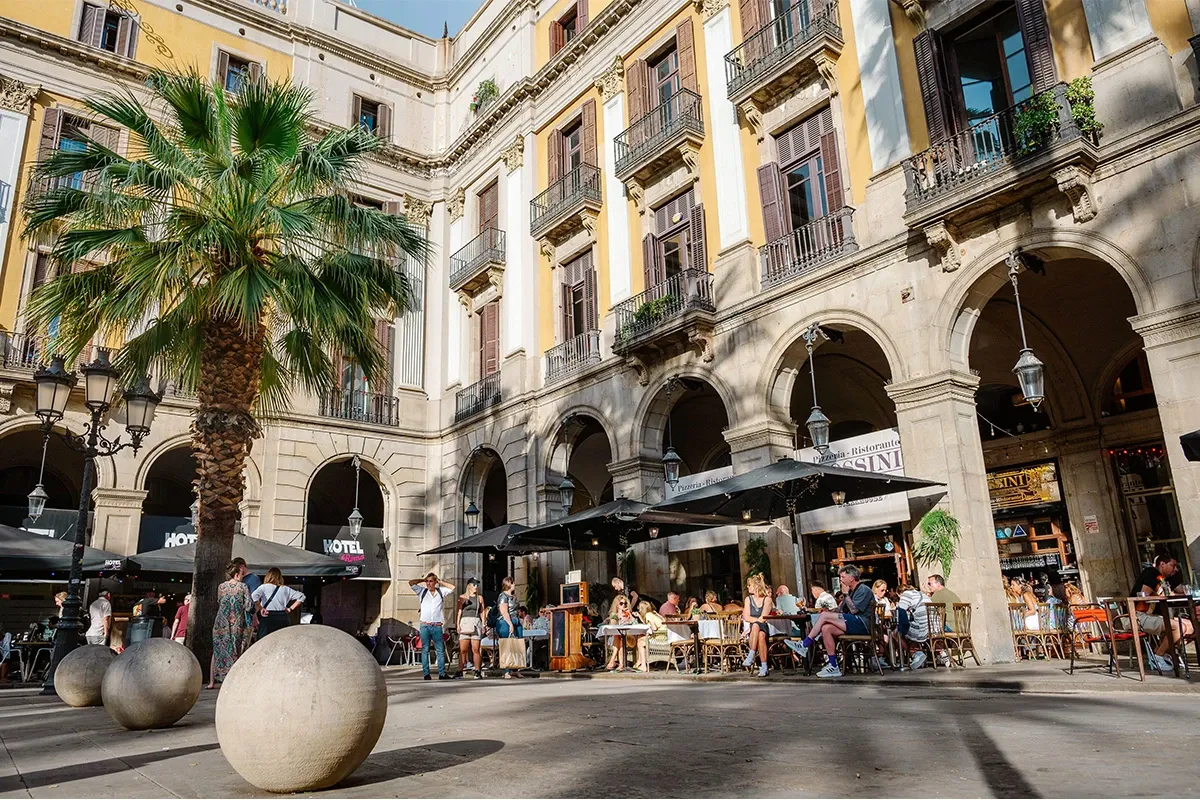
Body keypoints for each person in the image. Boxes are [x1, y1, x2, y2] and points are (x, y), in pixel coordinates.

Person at [787, 565, 874, 678]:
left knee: (824, 616)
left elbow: (854, 610)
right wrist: (829, 611)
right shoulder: (851, 591)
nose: (841, 580)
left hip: (862, 624)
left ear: (851, 578)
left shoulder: (863, 590)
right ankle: (833, 666)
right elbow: (840, 610)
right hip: (851, 622)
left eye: (843, 577)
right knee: (826, 628)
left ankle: (805, 644)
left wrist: (845, 594)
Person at [1131, 555, 1193, 673]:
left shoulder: (1163, 579)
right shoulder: (1151, 573)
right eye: (1173, 565)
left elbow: (1171, 593)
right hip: (1137, 615)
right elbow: (1143, 595)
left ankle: (1163, 652)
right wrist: (1163, 595)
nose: (1175, 569)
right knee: (1177, 627)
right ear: (1162, 564)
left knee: (1191, 626)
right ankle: (1158, 657)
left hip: (1152, 615)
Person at [209, 562, 254, 688]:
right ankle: (234, 679)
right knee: (237, 649)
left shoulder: (221, 587)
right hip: (237, 622)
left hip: (221, 622)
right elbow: (248, 606)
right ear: (237, 574)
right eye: (241, 574)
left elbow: (220, 601)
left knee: (218, 648)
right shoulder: (243, 587)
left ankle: (214, 680)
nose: (242, 577)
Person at [408, 572, 454, 681]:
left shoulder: (440, 591)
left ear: (435, 582)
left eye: (430, 581)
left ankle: (442, 673)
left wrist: (440, 581)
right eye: (427, 581)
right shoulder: (422, 591)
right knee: (425, 649)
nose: (428, 583)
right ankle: (426, 674)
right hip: (425, 625)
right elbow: (411, 583)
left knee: (440, 650)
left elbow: (452, 588)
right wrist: (422, 580)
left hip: (437, 625)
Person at [252, 568, 306, 640]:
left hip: (268, 616)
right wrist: (290, 609)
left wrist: (261, 608)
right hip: (282, 617)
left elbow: (253, 596)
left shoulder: (264, 587)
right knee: (283, 640)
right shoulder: (286, 589)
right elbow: (302, 596)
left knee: (264, 640)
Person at [741, 573, 774, 677]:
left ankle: (751, 654)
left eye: (749, 585)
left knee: (758, 628)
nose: (748, 587)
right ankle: (764, 667)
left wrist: (756, 622)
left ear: (756, 586)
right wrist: (756, 621)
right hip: (754, 630)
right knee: (760, 635)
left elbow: (763, 617)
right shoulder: (748, 599)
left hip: (764, 626)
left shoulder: (767, 599)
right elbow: (746, 616)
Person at [455, 578, 487, 679]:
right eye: (474, 585)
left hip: (475, 622)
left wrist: (484, 624)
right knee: (463, 650)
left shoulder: (479, 598)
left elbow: (482, 611)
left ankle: (477, 670)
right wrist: (457, 625)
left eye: (477, 585)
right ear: (469, 586)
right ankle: (460, 670)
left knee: (476, 649)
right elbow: (459, 612)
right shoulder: (462, 597)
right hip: (465, 622)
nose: (476, 587)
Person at [896, 583, 930, 669]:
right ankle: (917, 652)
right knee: (910, 625)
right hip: (932, 628)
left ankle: (915, 653)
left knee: (895, 633)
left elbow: (901, 611)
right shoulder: (921, 594)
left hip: (922, 628)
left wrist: (901, 628)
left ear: (900, 594)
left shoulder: (906, 594)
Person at [494, 576, 522, 679]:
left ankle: (515, 669)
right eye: (513, 583)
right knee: (507, 645)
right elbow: (504, 612)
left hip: (516, 621)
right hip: (505, 622)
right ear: (509, 584)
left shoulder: (513, 596)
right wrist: (510, 624)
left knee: (517, 645)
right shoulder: (503, 596)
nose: (515, 584)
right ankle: (506, 670)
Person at [605, 594, 639, 671]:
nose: (623, 605)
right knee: (618, 637)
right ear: (617, 605)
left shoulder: (628, 614)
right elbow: (612, 627)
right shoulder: (614, 614)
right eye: (621, 603)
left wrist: (629, 617)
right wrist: (618, 617)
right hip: (615, 637)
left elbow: (636, 624)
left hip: (629, 637)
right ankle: (620, 664)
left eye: (625, 603)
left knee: (620, 639)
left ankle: (613, 660)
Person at [636, 600, 663, 672]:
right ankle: (640, 661)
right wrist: (639, 617)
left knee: (640, 642)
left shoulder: (648, 615)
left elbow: (654, 628)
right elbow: (647, 624)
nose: (639, 610)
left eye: (639, 608)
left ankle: (643, 664)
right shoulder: (651, 614)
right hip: (662, 635)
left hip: (660, 637)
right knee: (640, 637)